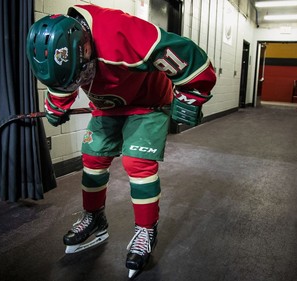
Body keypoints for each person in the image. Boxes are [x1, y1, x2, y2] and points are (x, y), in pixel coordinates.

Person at [26, 3, 216, 277]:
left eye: (81, 75)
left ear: (87, 48)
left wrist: (194, 92)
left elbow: (188, 54)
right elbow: (64, 77)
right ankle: (94, 219)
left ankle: (146, 230)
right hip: (107, 104)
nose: (79, 83)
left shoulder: (123, 34)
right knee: (93, 158)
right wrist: (58, 102)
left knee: (137, 162)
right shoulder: (64, 48)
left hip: (148, 102)